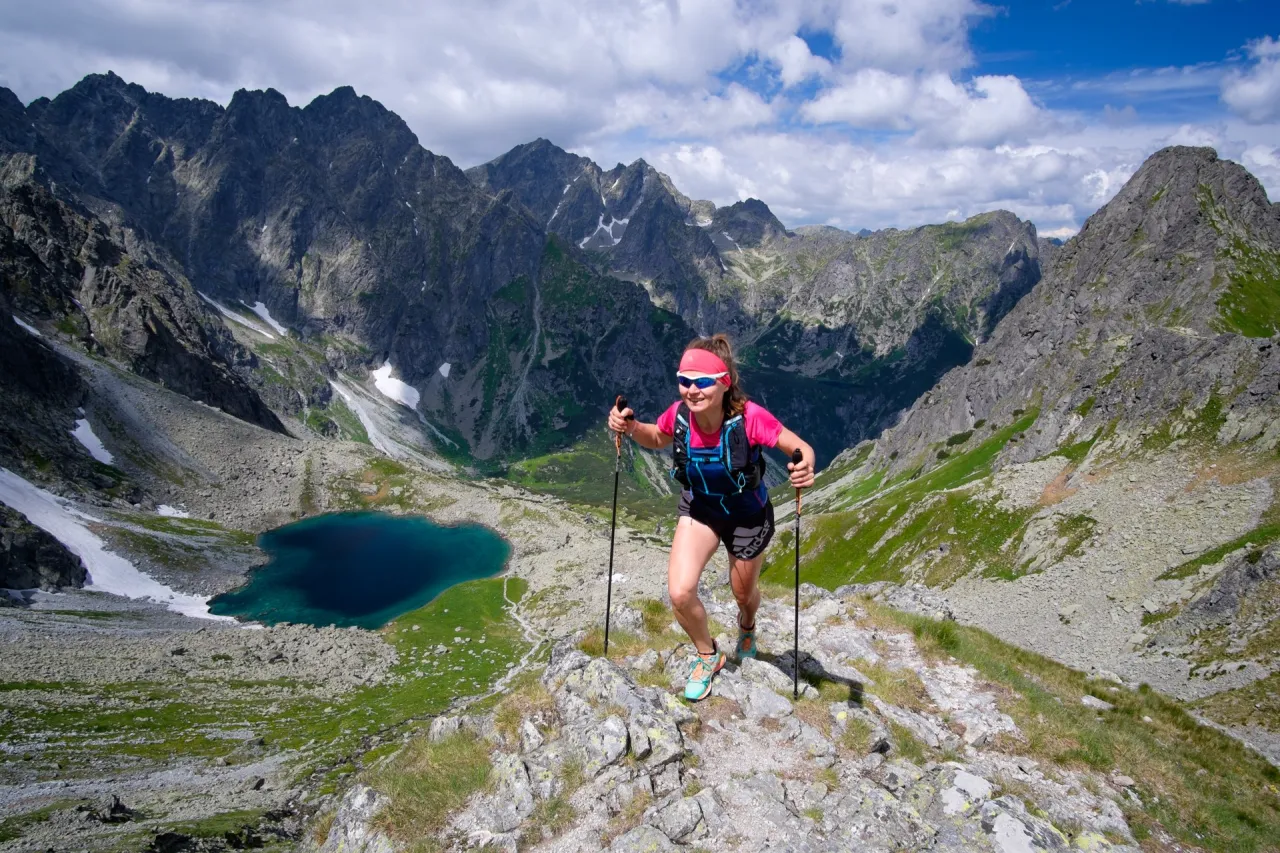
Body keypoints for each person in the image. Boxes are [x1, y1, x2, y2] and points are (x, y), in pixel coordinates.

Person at [608, 334, 815, 701]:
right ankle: (708, 655)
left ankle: (747, 624)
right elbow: (658, 437)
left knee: (743, 594)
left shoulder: (750, 417)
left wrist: (805, 465)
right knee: (680, 591)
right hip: (700, 509)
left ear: (724, 383)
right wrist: (630, 427)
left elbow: (799, 447)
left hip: (747, 516)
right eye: (684, 380)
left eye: (702, 382)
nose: (691, 389)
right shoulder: (679, 416)